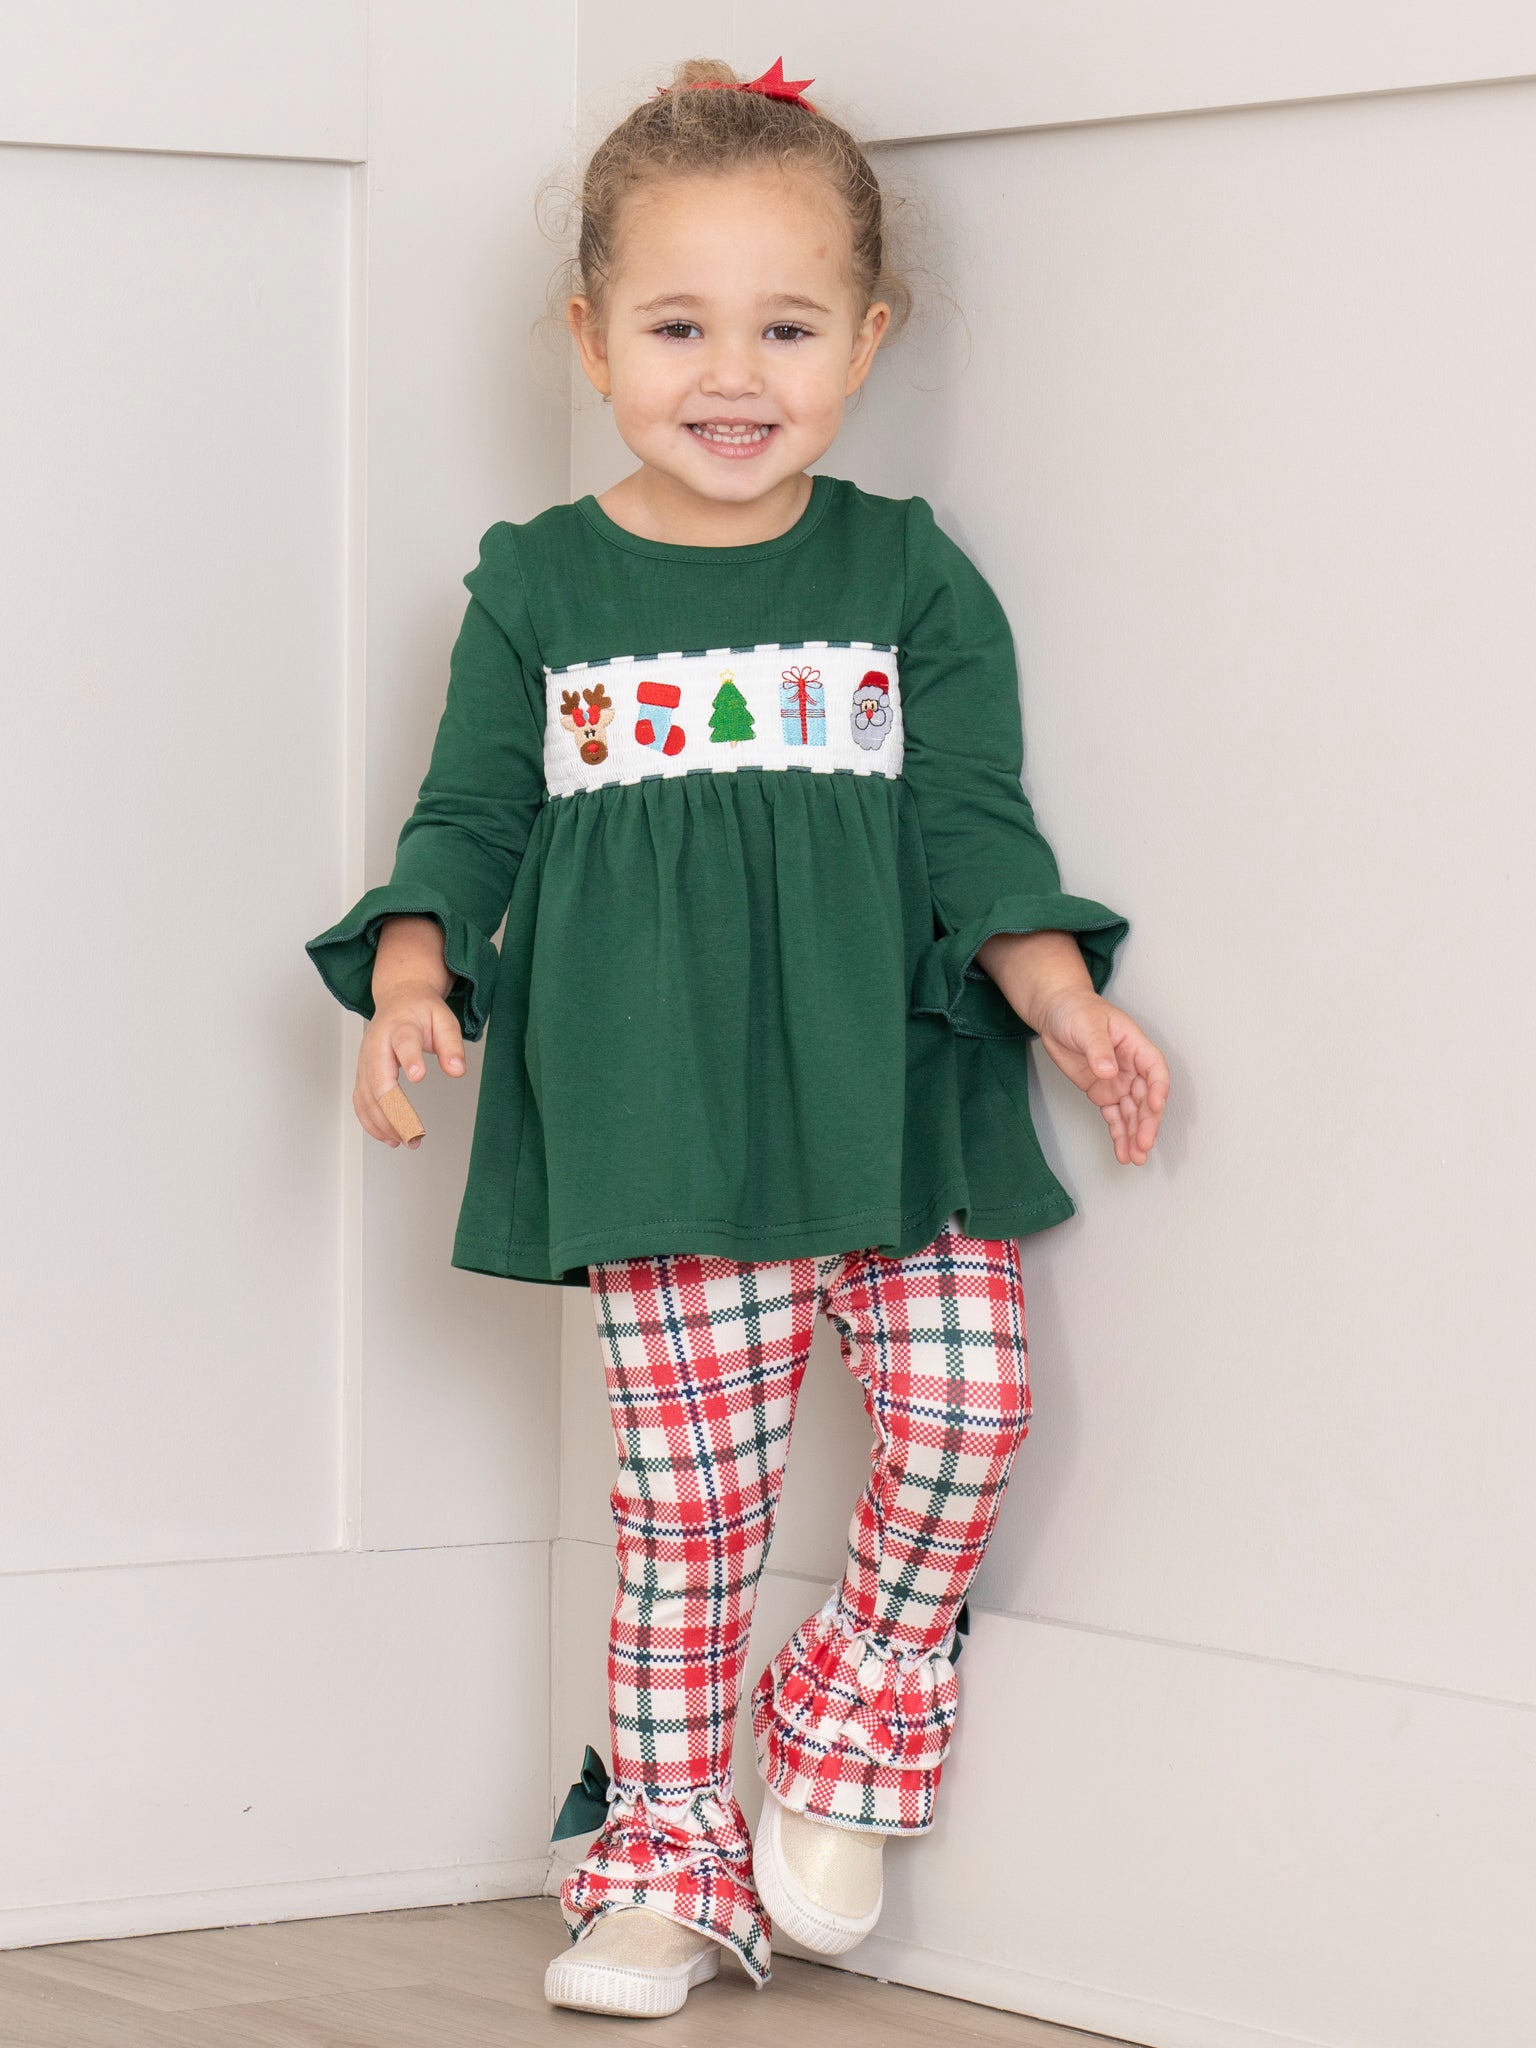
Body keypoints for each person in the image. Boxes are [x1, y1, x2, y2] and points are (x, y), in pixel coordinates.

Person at [304, 53, 1170, 2022]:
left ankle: (848, 1712)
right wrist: (416, 970)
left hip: (901, 1084)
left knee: (970, 1418)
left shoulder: (906, 570)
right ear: (589, 335)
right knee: (689, 1514)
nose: (733, 373)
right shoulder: (540, 584)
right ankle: (662, 1863)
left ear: (866, 338)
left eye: (787, 327)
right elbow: (468, 813)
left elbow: (975, 820)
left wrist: (1059, 994)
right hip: (659, 1101)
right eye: (678, 325)